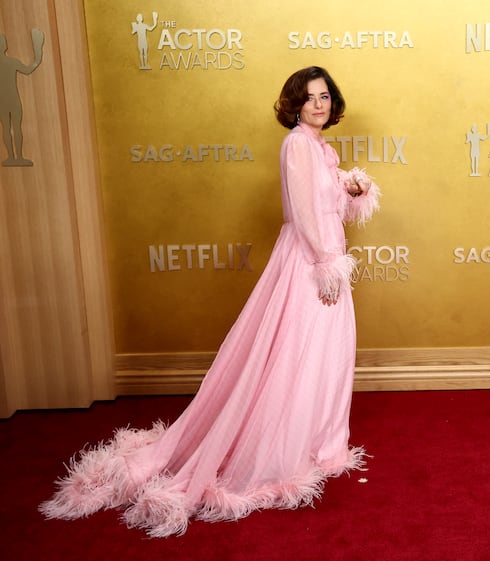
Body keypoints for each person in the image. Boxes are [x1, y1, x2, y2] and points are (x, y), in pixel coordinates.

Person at [39, 66, 380, 537]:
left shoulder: (322, 149)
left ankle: (319, 443)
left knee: (325, 353)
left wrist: (350, 187)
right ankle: (283, 446)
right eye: (310, 98)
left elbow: (324, 203)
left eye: (325, 96)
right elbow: (301, 212)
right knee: (295, 351)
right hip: (309, 261)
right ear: (295, 105)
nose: (319, 104)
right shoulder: (297, 144)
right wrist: (325, 261)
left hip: (327, 254)